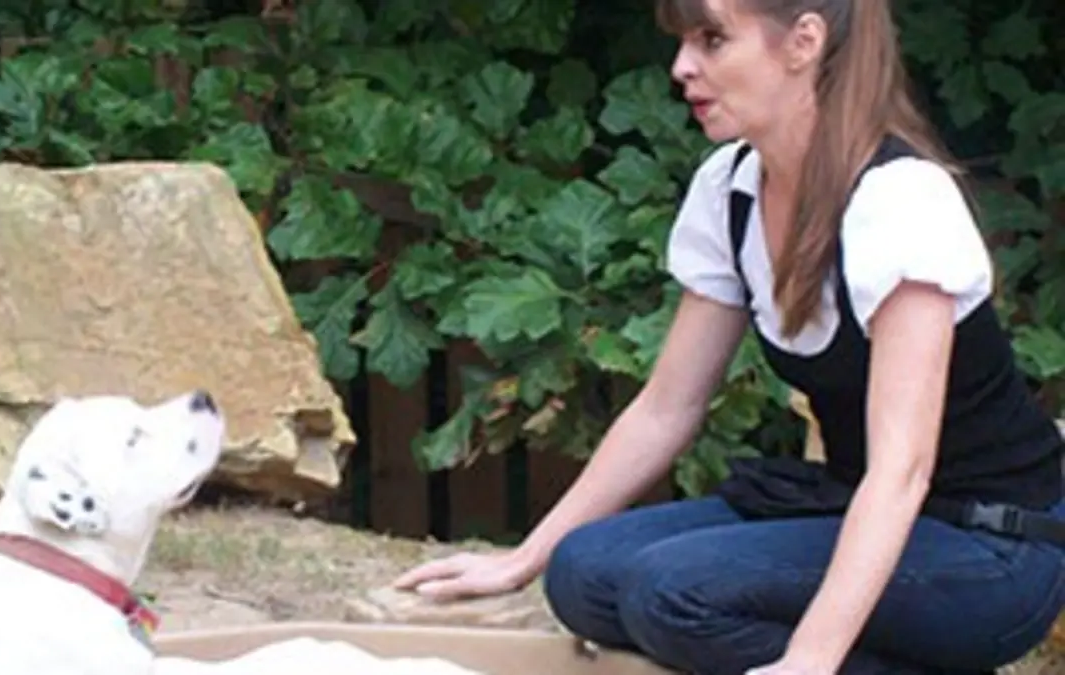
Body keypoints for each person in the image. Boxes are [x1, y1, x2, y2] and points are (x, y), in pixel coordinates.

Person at [392, 0, 1065, 673]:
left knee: (673, 594)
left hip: (990, 546)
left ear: (804, 42)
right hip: (852, 507)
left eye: (712, 40)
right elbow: (667, 406)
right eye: (684, 41)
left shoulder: (899, 201)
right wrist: (522, 560)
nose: (682, 67)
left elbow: (902, 471)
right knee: (583, 572)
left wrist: (809, 659)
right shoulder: (732, 188)